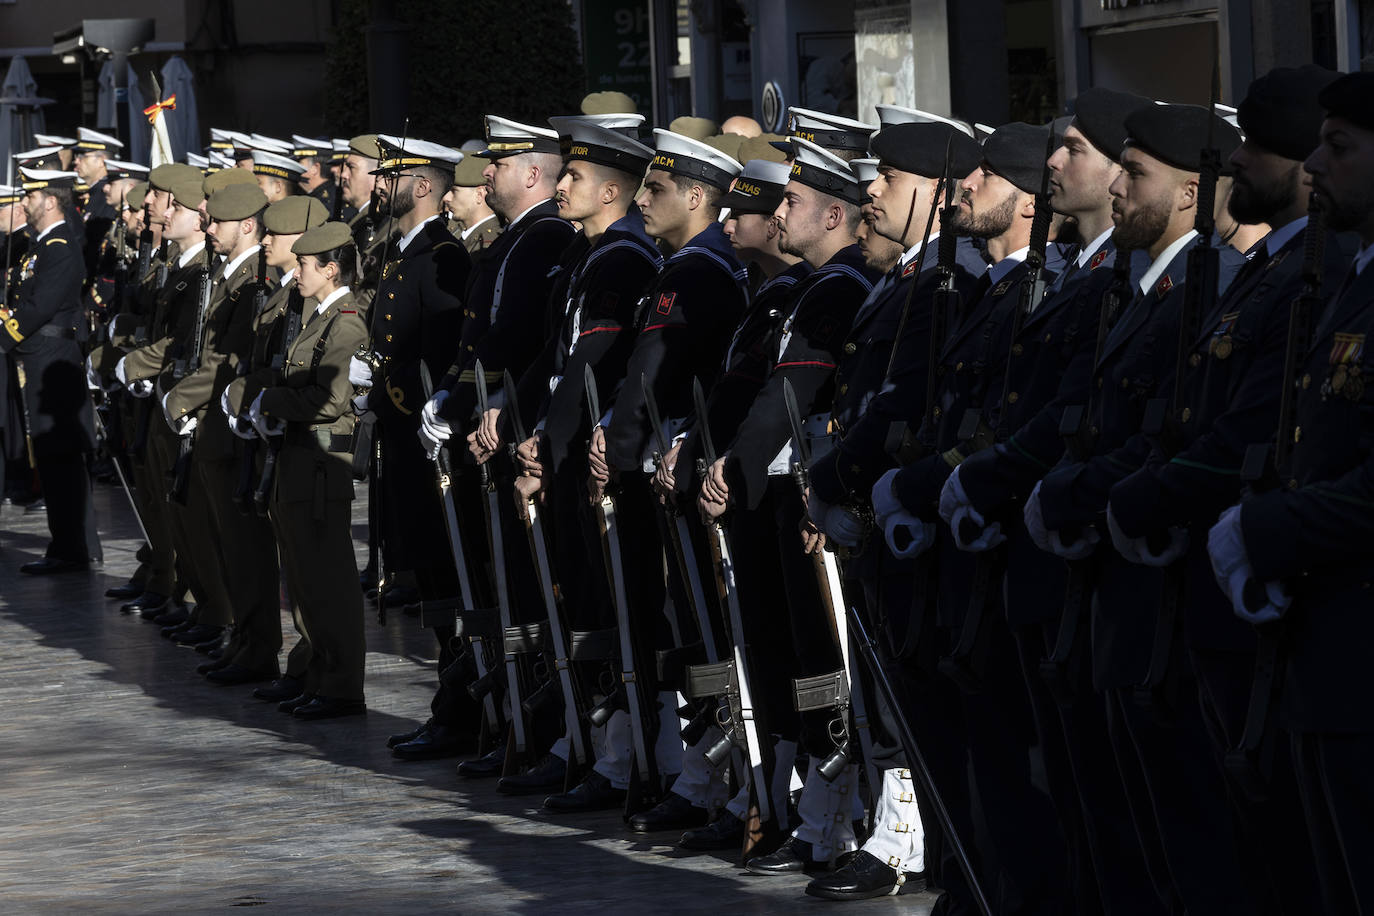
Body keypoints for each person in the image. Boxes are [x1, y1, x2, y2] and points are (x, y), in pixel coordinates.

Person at [1206, 68, 1374, 915]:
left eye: (1340, 147)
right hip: (1327, 662)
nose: (1316, 162)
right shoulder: (1351, 280)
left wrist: (1262, 530)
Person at [252, 220, 370, 719]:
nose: (297, 272)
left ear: (331, 269)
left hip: (322, 468)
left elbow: (329, 399)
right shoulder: (316, 316)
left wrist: (269, 399)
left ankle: (342, 686)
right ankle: (319, 674)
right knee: (302, 580)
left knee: (329, 583)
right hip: (298, 464)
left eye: (305, 264)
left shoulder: (344, 322)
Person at [2, 167, 101, 574]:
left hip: (54, 355)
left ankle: (76, 546)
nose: (24, 202)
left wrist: (5, 336)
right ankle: (67, 545)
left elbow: (40, 306)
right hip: (41, 353)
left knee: (59, 449)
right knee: (49, 451)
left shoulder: (59, 246)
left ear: (51, 201)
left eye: (30, 196)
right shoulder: (38, 246)